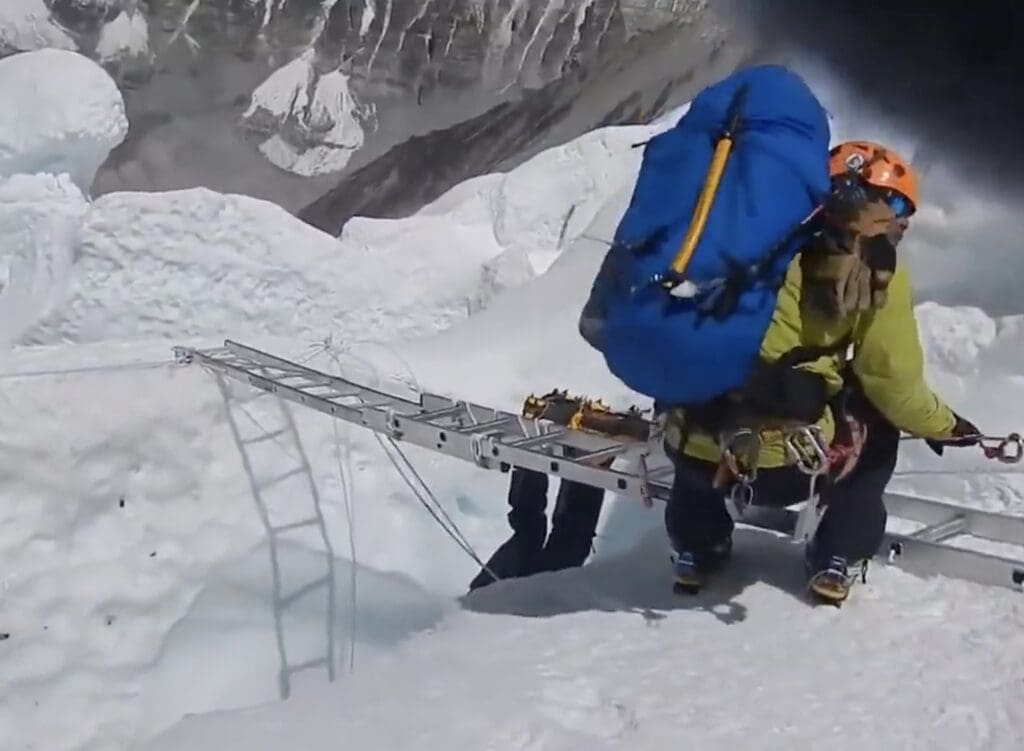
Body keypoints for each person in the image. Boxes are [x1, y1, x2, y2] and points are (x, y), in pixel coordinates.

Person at [653, 140, 982, 604]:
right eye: (895, 210)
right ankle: (837, 555)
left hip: (690, 445)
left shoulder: (738, 237)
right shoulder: (874, 270)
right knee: (876, 421)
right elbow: (892, 382)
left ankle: (696, 546)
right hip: (787, 465)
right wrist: (945, 426)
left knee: (710, 403)